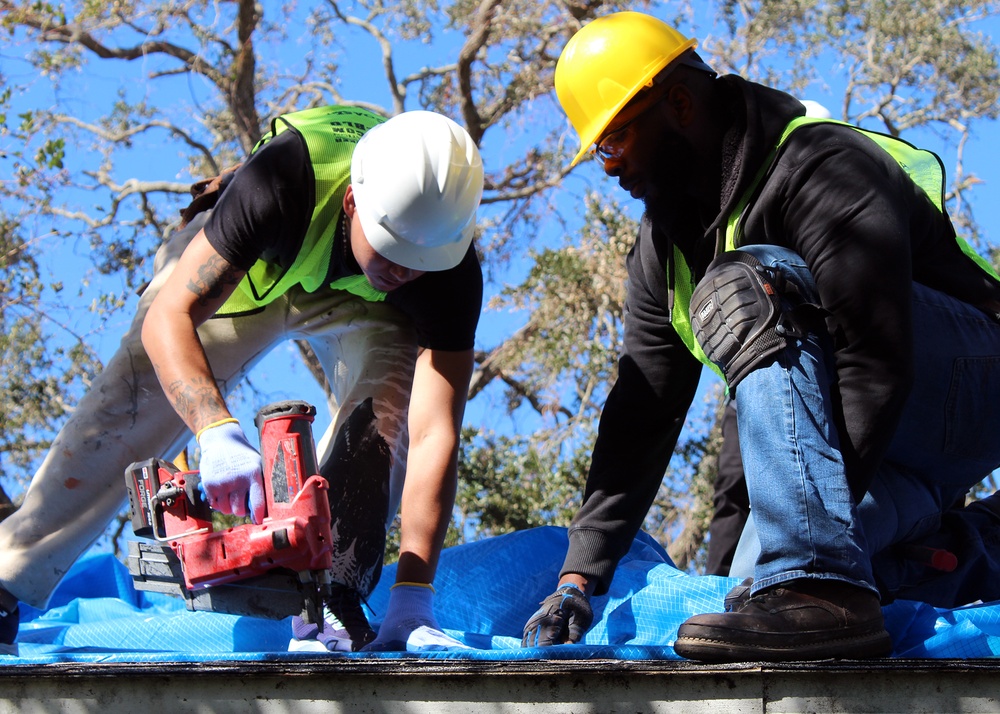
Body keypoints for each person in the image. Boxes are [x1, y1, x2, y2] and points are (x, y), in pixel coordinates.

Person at [522, 10, 1000, 662]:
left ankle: (818, 580)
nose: (609, 169)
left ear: (680, 104)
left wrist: (808, 557)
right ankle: (976, 547)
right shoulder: (662, 253)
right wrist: (579, 579)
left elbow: (876, 363)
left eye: (614, 142)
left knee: (749, 282)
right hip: (883, 438)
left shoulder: (817, 166)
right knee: (755, 593)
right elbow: (642, 416)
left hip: (968, 382)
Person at [0, 105, 485, 655]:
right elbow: (171, 317)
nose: (403, 270)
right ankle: (7, 577)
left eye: (422, 259)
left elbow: (434, 433)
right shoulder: (281, 182)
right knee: (135, 398)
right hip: (255, 265)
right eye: (393, 248)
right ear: (353, 200)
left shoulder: (448, 271)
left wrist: (414, 593)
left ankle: (331, 595)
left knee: (388, 420)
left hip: (367, 310)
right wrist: (214, 430)